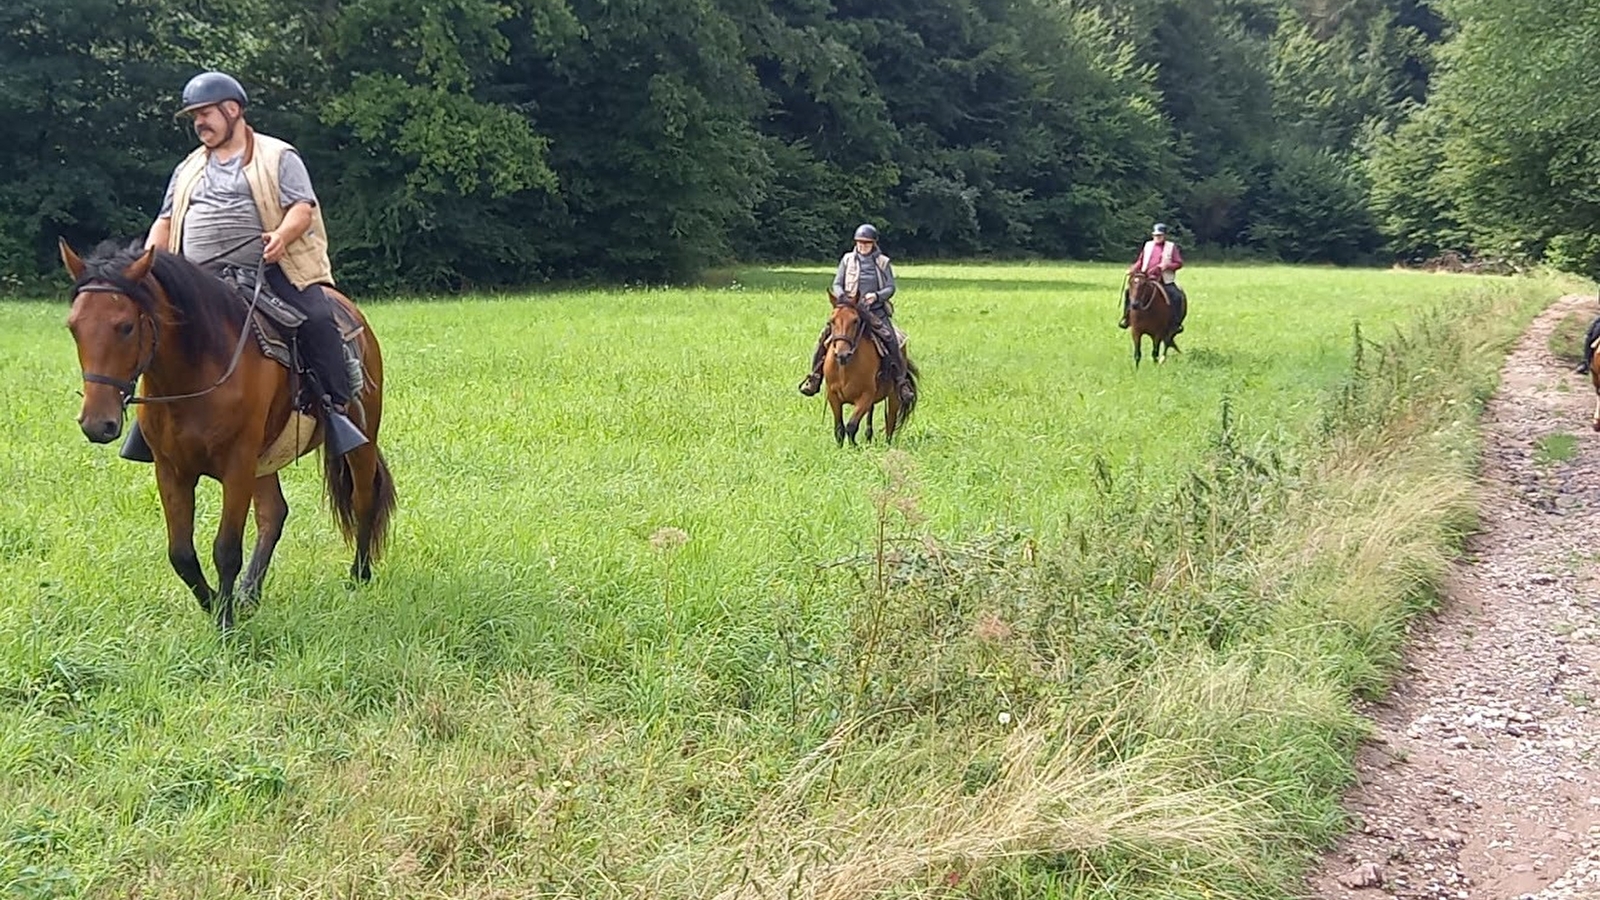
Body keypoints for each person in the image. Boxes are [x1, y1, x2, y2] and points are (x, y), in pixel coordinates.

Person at [121, 70, 363, 462]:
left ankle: (335, 410)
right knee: (150, 330)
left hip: (267, 272)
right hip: (198, 282)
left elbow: (302, 207)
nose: (199, 122)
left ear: (232, 110)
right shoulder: (188, 168)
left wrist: (282, 236)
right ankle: (148, 423)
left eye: (206, 113)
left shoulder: (278, 156)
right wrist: (148, 263)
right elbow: (165, 221)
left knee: (317, 318)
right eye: (195, 116)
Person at [797, 224, 916, 406]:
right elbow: (837, 283)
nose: (863, 246)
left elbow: (890, 287)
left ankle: (901, 383)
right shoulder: (847, 259)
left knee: (890, 339)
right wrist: (843, 296)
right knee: (824, 338)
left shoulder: (883, 262)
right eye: (860, 243)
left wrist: (876, 296)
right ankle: (814, 377)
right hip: (849, 308)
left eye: (867, 243)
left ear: (873, 244)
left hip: (873, 310)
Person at [1120, 222, 1187, 333]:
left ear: (1164, 236)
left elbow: (1179, 263)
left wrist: (1167, 266)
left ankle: (1175, 322)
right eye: (1155, 235)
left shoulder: (1171, 247)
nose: (1157, 237)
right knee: (1129, 292)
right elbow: (1140, 261)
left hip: (1164, 280)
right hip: (1146, 279)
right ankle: (1126, 317)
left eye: (1160, 235)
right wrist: (1132, 269)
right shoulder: (1148, 245)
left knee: (1176, 296)